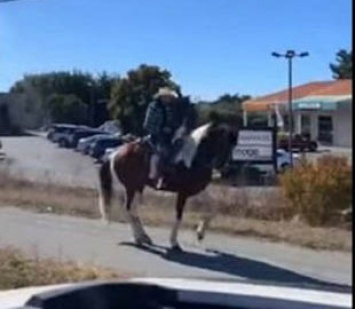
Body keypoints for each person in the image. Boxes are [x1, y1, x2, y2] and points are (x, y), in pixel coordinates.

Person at [143, 88, 195, 189]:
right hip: (156, 135)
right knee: (163, 151)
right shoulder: (153, 107)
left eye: (170, 97)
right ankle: (157, 176)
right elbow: (147, 124)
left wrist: (177, 129)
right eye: (167, 97)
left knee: (181, 145)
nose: (169, 99)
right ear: (161, 97)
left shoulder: (169, 108)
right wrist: (161, 129)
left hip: (168, 135)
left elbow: (171, 122)